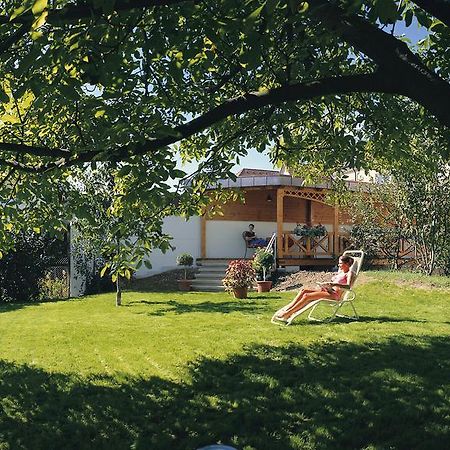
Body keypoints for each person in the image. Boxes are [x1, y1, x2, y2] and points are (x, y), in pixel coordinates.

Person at [273, 255, 355, 322]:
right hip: (328, 291)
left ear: (347, 264)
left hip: (334, 295)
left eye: (340, 263)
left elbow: (348, 286)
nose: (338, 265)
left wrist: (333, 284)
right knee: (303, 290)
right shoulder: (340, 272)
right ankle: (289, 308)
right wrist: (325, 285)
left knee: (307, 296)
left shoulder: (349, 273)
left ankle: (288, 313)